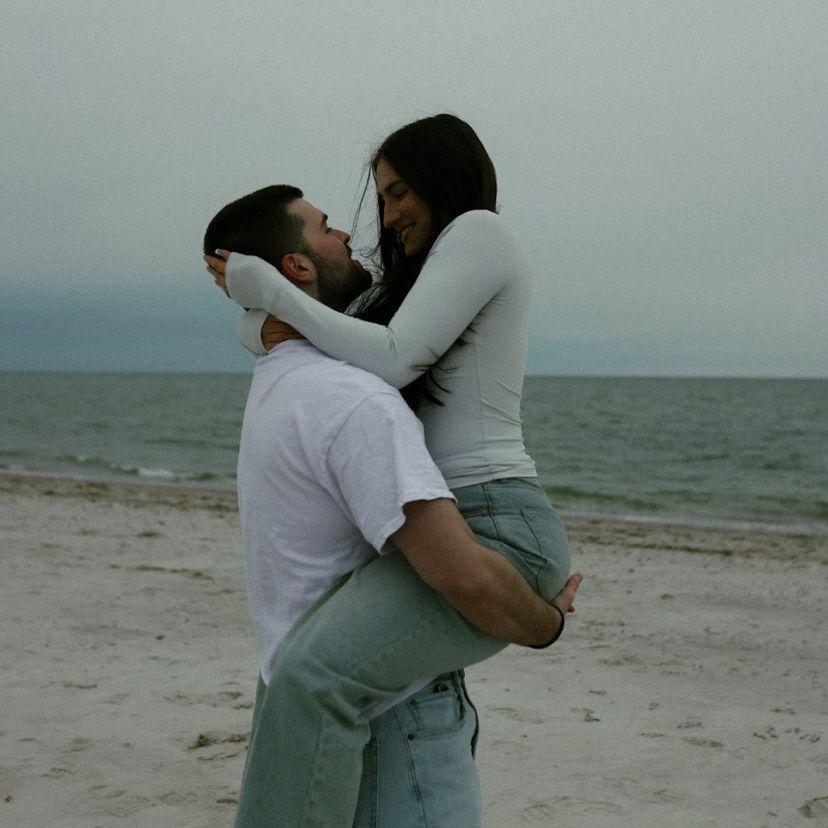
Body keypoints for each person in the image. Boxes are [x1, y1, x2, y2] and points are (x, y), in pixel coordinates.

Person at [205, 116, 577, 826]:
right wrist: (257, 311)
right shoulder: (415, 287)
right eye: (381, 197)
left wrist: (269, 292)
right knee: (296, 669)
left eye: (400, 191)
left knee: (312, 676)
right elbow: (310, 333)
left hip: (498, 521)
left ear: (444, 176)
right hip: (449, 521)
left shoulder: (481, 234)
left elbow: (394, 357)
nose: (388, 213)